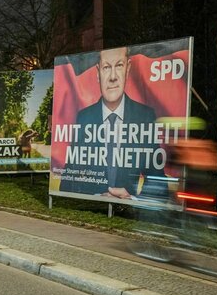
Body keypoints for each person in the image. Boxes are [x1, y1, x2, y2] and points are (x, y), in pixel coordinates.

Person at [59, 46, 162, 198]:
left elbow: (158, 182)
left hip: (127, 214)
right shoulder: (83, 118)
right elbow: (67, 181)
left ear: (128, 69)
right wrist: (92, 199)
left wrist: (132, 199)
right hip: (92, 209)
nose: (113, 76)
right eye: (106, 67)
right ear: (98, 72)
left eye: (119, 65)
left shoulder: (145, 116)